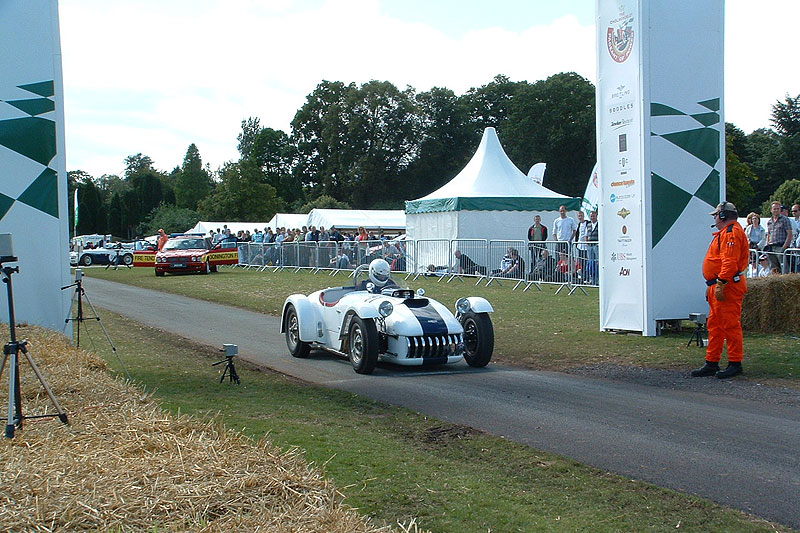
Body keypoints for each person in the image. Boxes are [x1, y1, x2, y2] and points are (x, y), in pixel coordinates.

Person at [691, 202, 749, 379]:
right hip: (718, 284)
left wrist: (722, 282)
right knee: (715, 326)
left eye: (716, 215)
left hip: (726, 285)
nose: (715, 218)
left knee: (730, 325)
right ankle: (712, 362)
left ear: (723, 216)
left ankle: (735, 363)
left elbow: (729, 262)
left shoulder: (731, 233)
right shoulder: (726, 232)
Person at [765, 201, 793, 273]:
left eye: (778, 209)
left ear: (780, 210)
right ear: (771, 210)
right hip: (771, 247)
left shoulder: (785, 220)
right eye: (774, 209)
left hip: (781, 246)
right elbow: (769, 234)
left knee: (784, 269)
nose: (776, 210)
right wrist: (768, 244)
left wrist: (784, 248)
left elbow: (789, 234)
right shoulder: (769, 221)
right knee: (773, 269)